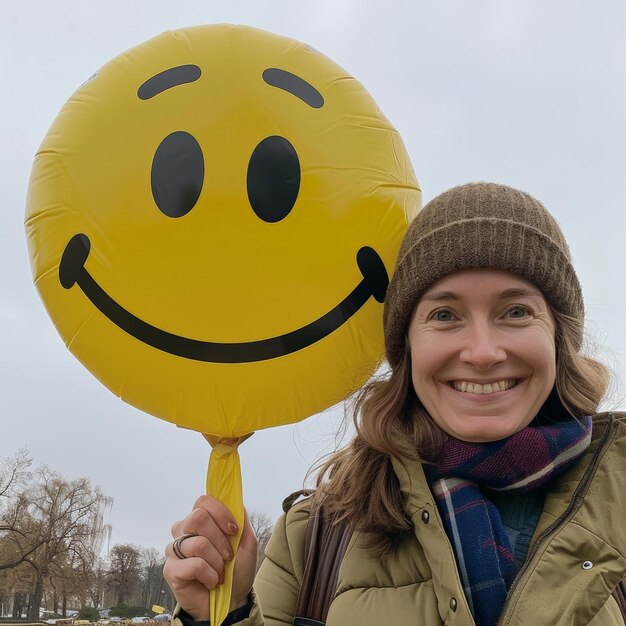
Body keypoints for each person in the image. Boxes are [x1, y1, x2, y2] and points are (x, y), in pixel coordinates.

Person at [163, 182, 626, 625]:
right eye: (445, 314)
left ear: (559, 337)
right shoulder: (316, 535)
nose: (483, 352)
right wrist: (223, 613)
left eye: (517, 312)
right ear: (405, 348)